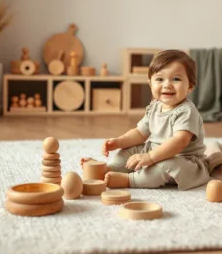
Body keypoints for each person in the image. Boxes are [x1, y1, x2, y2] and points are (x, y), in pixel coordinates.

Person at [80, 49, 210, 190]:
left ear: (190, 86)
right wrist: (119, 142)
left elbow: (180, 142)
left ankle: (129, 180)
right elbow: (140, 133)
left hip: (183, 160)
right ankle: (109, 168)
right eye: (160, 79)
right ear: (150, 84)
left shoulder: (187, 111)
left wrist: (151, 157)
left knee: (165, 166)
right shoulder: (154, 107)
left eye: (176, 79)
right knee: (129, 150)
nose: (167, 84)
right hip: (154, 151)